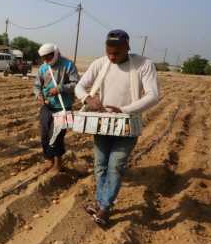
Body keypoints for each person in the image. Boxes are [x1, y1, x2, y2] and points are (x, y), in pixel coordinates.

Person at [75, 29, 159, 226]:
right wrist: (87, 98)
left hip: (127, 125)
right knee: (100, 164)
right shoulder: (100, 63)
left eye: (117, 53)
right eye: (109, 52)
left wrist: (124, 109)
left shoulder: (144, 65)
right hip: (103, 124)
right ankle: (101, 202)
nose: (112, 57)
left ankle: (104, 207)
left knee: (116, 165)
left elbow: (153, 95)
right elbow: (80, 86)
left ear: (127, 48)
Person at [33, 43, 79, 172]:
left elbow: (76, 83)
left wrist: (60, 88)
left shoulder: (68, 65)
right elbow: (37, 85)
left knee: (57, 135)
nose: (46, 60)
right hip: (47, 106)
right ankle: (49, 160)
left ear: (55, 53)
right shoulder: (43, 68)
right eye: (44, 58)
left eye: (48, 57)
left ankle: (58, 163)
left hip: (64, 107)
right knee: (44, 134)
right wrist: (39, 95)